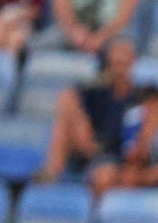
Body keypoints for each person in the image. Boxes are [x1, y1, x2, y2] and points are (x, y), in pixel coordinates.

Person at [36, 37, 138, 183]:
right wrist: (85, 135)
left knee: (105, 174)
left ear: (132, 62)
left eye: (123, 62)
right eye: (115, 61)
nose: (119, 66)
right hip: (90, 148)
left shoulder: (139, 96)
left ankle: (54, 170)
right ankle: (53, 170)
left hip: (118, 154)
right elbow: (69, 98)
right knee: (66, 108)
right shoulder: (97, 90)